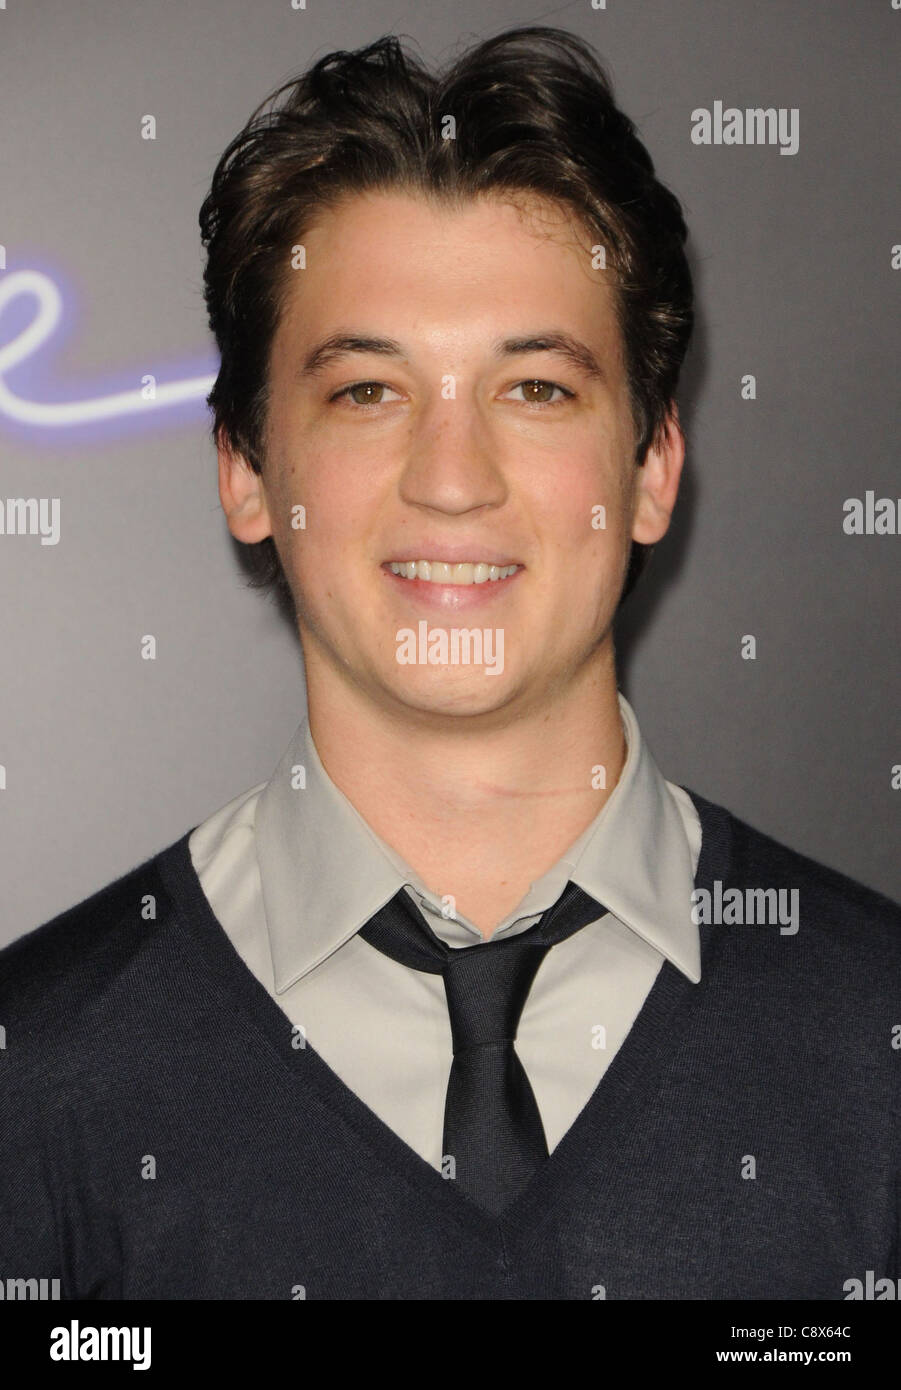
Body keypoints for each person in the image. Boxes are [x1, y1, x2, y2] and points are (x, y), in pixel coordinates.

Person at [1, 26, 898, 1302]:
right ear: (247, 472)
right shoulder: (31, 1080)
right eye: (368, 391)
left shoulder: (880, 1044)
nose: (453, 478)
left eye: (534, 388)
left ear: (651, 469)